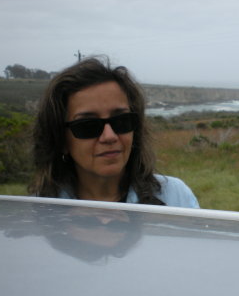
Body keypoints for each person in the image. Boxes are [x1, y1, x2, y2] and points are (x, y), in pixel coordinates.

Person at [29, 57, 199, 208]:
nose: (109, 136)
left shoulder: (174, 197)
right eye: (88, 125)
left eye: (121, 121)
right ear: (61, 139)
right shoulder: (39, 210)